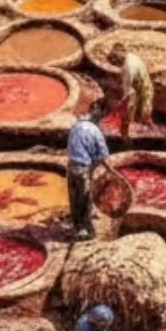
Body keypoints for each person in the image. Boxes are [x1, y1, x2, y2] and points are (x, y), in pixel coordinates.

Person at [67, 98, 110, 240]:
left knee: (75, 198)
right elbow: (103, 155)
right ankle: (86, 230)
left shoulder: (76, 126)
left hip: (71, 166)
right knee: (85, 198)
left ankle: (77, 226)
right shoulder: (95, 131)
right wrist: (101, 168)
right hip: (83, 168)